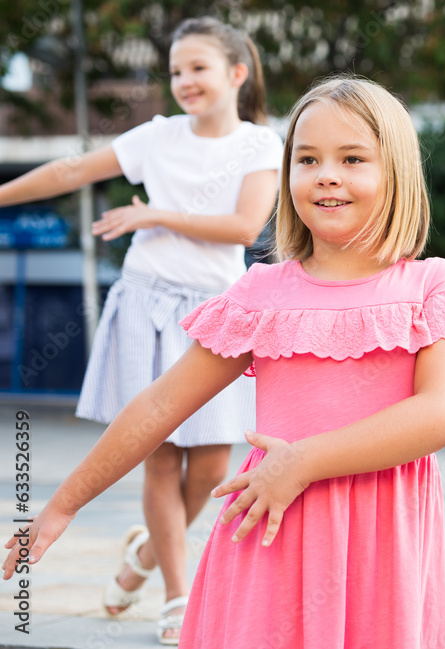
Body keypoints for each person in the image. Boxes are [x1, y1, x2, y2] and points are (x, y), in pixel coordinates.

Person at [3, 75, 445, 649]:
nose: (326, 174)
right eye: (307, 158)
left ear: (399, 173)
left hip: (379, 554)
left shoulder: (434, 285)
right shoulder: (259, 293)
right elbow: (162, 403)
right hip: (268, 543)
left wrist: (303, 461)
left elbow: (441, 415)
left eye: (353, 157)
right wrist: (63, 505)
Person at [0, 16, 282, 644]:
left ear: (236, 74)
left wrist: (153, 213)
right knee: (160, 462)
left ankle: (145, 557)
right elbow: (71, 171)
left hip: (216, 314)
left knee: (210, 470)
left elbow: (243, 229)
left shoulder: (261, 145)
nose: (184, 81)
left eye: (198, 68)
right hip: (147, 306)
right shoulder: (156, 137)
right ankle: (178, 598)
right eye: (177, 70)